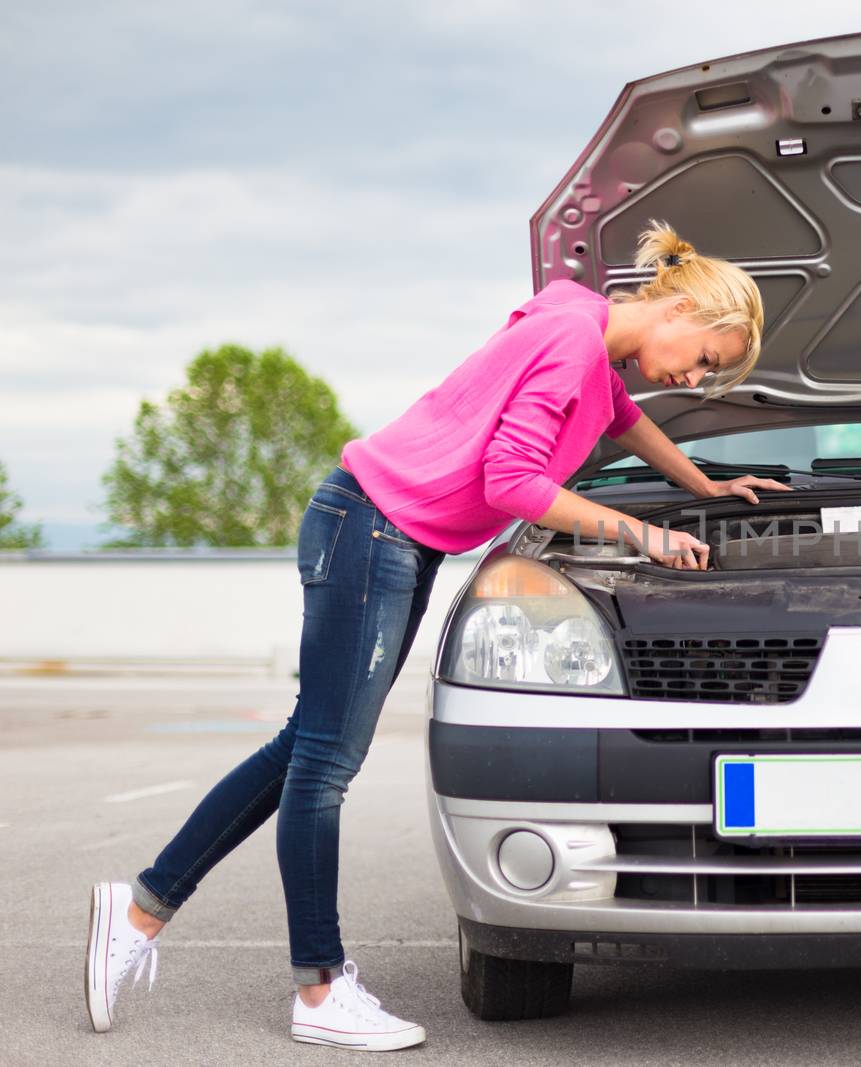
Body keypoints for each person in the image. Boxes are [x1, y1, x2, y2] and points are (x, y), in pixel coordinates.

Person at [84, 220, 787, 1049]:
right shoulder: (569, 339)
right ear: (681, 305)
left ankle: (137, 912)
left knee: (305, 749)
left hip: (390, 531)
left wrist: (706, 482)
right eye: (708, 357)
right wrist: (639, 533)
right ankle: (316, 991)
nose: (699, 378)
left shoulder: (579, 325)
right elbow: (513, 479)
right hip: (372, 528)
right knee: (325, 766)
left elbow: (623, 420)